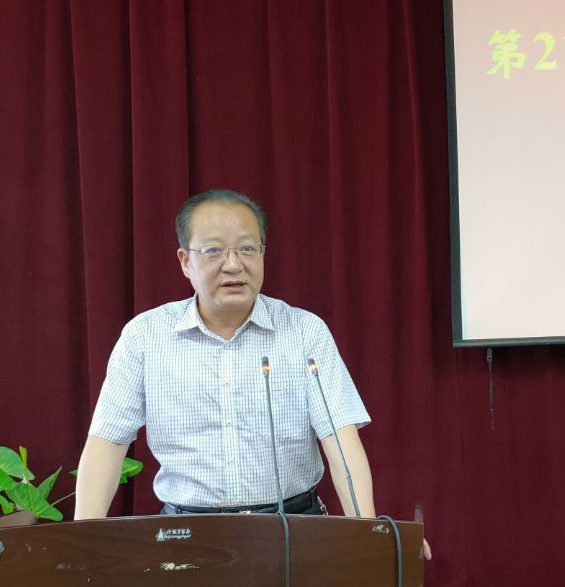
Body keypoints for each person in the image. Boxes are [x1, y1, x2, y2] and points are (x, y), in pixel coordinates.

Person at [73, 188, 378, 525]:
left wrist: (369, 536)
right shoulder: (145, 336)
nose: (233, 265)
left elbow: (341, 441)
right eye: (214, 251)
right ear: (185, 261)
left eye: (247, 249)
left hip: (293, 525)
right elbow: (107, 443)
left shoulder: (305, 331)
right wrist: (81, 540)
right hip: (186, 531)